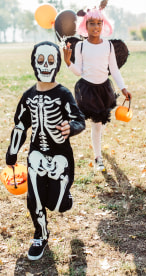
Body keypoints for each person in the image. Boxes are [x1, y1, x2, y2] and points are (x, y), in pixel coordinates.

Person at [5, 41, 86, 261]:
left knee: (58, 205)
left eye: (51, 61)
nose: (45, 65)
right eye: (40, 60)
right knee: (35, 199)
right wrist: (11, 154)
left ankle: (63, 197)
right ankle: (40, 234)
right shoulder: (28, 96)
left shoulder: (63, 93)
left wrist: (72, 127)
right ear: (34, 63)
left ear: (57, 64)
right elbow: (21, 125)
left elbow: (79, 119)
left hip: (60, 156)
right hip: (36, 154)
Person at [63, 7, 132, 172]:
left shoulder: (108, 46)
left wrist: (123, 88)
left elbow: (114, 69)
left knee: (99, 124)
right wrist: (68, 62)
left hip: (103, 89)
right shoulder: (80, 46)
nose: (96, 27)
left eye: (99, 23)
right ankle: (97, 157)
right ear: (85, 26)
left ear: (104, 24)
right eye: (92, 23)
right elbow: (79, 71)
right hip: (87, 89)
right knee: (95, 124)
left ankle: (97, 150)